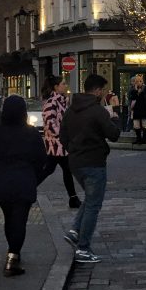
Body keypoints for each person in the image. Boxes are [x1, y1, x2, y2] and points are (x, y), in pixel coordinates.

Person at [0, 94, 47, 276]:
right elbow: (41, 159)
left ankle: (13, 252)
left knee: (8, 218)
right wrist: (34, 177)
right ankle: (13, 256)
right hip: (24, 178)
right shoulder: (31, 133)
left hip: (2, 179)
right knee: (20, 219)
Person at [60, 73, 121, 264]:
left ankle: (75, 231)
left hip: (76, 163)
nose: (104, 94)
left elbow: (63, 136)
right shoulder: (98, 111)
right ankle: (83, 249)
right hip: (94, 162)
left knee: (90, 198)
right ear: (96, 90)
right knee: (94, 204)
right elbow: (114, 135)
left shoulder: (71, 110)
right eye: (103, 90)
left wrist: (73, 149)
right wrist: (115, 117)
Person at [40, 77, 80, 208]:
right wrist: (62, 135)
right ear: (56, 87)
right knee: (50, 169)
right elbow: (49, 123)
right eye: (63, 84)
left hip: (60, 144)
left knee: (63, 170)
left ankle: (73, 198)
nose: (65, 85)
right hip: (56, 144)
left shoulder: (62, 101)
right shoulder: (52, 102)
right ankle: (24, 190)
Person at [128, 75, 146, 145]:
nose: (138, 83)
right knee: (136, 125)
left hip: (144, 109)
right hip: (137, 109)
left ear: (142, 81)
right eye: (136, 81)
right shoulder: (133, 89)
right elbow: (132, 97)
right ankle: (138, 139)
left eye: (139, 81)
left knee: (144, 125)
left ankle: (143, 140)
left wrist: (140, 93)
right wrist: (135, 91)